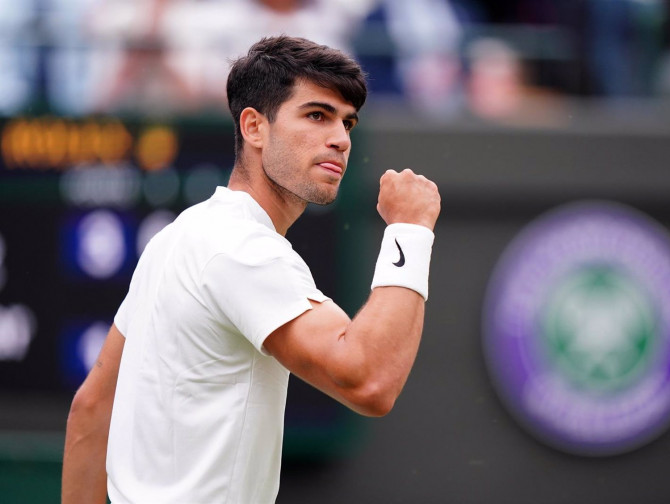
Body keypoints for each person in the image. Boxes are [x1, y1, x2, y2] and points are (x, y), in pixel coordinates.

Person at [61, 35, 440, 503]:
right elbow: (369, 380)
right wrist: (410, 229)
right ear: (254, 127)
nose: (340, 139)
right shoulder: (241, 247)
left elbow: (92, 408)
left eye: (348, 122)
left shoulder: (176, 238)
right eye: (317, 115)